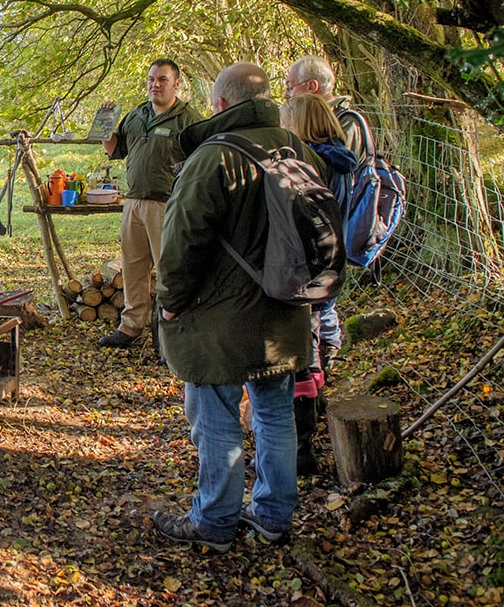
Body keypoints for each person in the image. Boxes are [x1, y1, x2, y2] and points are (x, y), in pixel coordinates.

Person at [153, 63, 324, 552]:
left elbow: (181, 243)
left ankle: (216, 520)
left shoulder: (214, 157)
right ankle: (272, 516)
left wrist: (170, 303)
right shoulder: (298, 148)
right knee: (275, 415)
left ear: (222, 105)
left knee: (217, 415)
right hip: (286, 310)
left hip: (220, 318)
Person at [98, 59, 202, 349]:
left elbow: (201, 164)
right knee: (133, 268)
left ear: (176, 83)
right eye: (151, 79)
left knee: (170, 271)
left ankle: (172, 335)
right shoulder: (135, 115)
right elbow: (115, 149)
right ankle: (131, 327)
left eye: (162, 80)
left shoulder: (188, 119)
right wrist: (105, 123)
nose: (155, 84)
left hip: (167, 205)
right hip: (133, 202)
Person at [280, 93, 358, 474]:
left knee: (302, 347)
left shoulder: (311, 163)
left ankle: (302, 443)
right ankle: (319, 395)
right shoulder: (341, 158)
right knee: (322, 328)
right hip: (333, 260)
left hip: (308, 263)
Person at [284, 55, 374, 374]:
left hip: (322, 239)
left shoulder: (336, 132)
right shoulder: (334, 137)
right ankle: (325, 358)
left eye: (289, 87)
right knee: (323, 305)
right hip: (330, 240)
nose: (285, 94)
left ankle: (315, 376)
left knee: (315, 309)